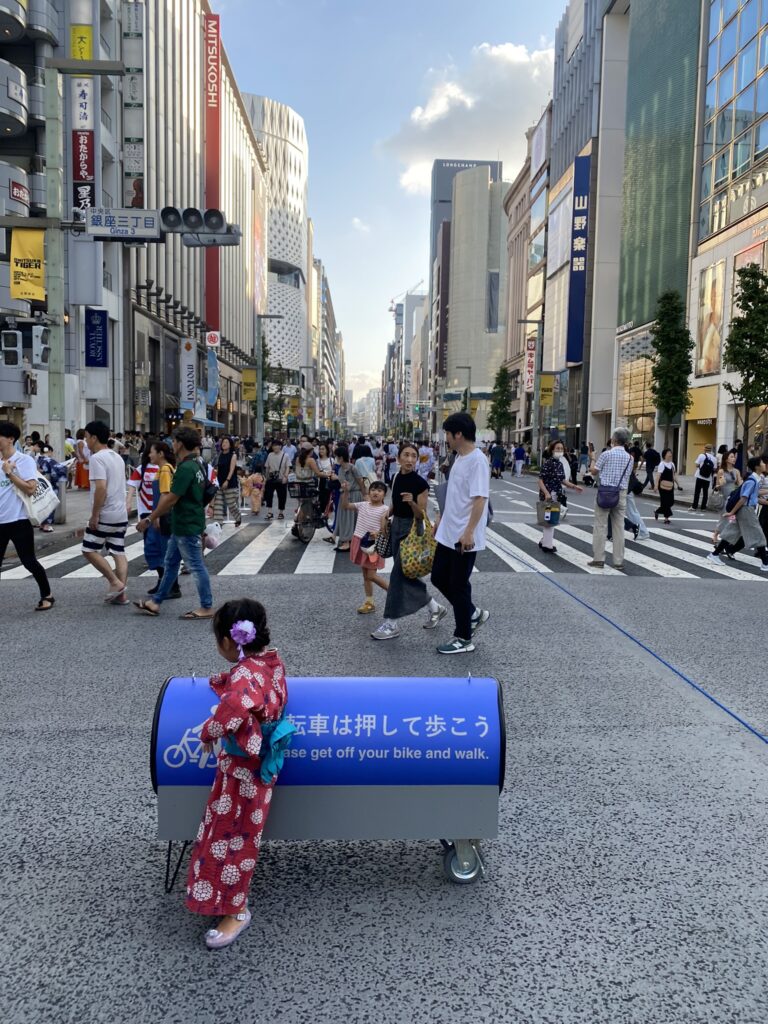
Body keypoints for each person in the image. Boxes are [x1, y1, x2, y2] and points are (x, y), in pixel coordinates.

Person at [185, 599, 290, 949]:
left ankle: (237, 908)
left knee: (230, 835)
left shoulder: (246, 674)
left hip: (243, 770)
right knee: (239, 833)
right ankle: (227, 899)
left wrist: (208, 732)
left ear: (231, 642)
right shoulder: (269, 664)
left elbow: (234, 709)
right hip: (259, 765)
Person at [133, 426, 214, 619]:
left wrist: (150, 518)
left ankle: (207, 606)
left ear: (181, 444)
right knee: (170, 564)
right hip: (185, 522)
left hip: (186, 523)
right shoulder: (198, 463)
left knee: (195, 565)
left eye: (175, 441)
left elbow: (170, 498)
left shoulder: (186, 468)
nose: (173, 444)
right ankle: (156, 602)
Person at [371, 441, 445, 640]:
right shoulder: (395, 477)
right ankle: (435, 607)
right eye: (406, 455)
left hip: (411, 530)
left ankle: (391, 622)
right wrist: (386, 515)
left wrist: (411, 502)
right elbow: (394, 501)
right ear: (399, 458)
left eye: (414, 456)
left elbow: (421, 515)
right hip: (396, 526)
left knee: (397, 576)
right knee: (406, 575)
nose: (410, 459)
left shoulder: (420, 484)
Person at [428, 413, 490, 654]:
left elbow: (479, 499)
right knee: (438, 577)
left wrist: (469, 532)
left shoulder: (477, 460)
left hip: (464, 535)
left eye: (447, 434)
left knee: (458, 583)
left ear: (459, 434)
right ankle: (472, 613)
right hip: (448, 530)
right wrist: (441, 518)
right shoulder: (458, 457)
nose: (446, 438)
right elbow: (454, 495)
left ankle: (464, 638)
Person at [0, 421, 54, 611]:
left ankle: (47, 595)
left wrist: (10, 474)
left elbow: (31, 488)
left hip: (18, 520)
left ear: (10, 439)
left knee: (29, 561)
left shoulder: (24, 460)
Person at [81, 420, 130, 603]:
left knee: (88, 549)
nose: (86, 442)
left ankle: (114, 582)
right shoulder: (116, 456)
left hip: (106, 513)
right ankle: (120, 594)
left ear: (94, 437)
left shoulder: (97, 458)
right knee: (118, 551)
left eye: (86, 437)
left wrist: (95, 514)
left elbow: (101, 488)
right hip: (120, 513)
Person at [708, 455, 768, 570]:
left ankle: (714, 554)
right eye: (762, 463)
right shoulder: (752, 480)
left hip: (745, 509)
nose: (764, 465)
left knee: (732, 533)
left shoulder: (756, 479)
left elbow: (753, 497)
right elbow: (743, 498)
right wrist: (731, 512)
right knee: (758, 534)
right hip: (746, 510)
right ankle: (765, 564)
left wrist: (763, 502)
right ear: (756, 467)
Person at [341, 479, 390, 614]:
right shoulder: (363, 505)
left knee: (371, 575)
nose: (375, 492)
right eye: (373, 489)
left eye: (379, 490)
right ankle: (369, 602)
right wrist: (345, 492)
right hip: (360, 541)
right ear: (369, 492)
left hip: (373, 546)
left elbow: (388, 528)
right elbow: (345, 506)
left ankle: (394, 592)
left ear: (384, 495)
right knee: (365, 575)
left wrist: (379, 533)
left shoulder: (385, 509)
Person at [588, 428, 634, 570]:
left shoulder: (606, 454)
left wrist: (593, 458)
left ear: (614, 440)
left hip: (605, 493)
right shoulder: (630, 458)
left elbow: (593, 471)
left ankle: (598, 559)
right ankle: (618, 561)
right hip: (621, 494)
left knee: (600, 526)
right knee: (619, 527)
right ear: (625, 442)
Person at [144, 440, 181, 599]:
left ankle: (172, 586)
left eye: (151, 451)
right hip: (161, 513)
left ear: (160, 454)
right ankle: (164, 582)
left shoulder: (165, 470)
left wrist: (157, 516)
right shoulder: (164, 469)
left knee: (162, 551)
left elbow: (165, 495)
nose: (149, 455)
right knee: (157, 550)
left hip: (162, 515)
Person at [538, 440, 583, 553]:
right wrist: (547, 493)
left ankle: (544, 541)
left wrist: (574, 486)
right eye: (557, 448)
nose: (560, 451)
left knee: (551, 519)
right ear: (552, 449)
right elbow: (540, 481)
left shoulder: (560, 464)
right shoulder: (548, 463)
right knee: (549, 521)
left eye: (561, 449)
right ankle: (547, 546)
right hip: (548, 496)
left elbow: (563, 480)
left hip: (556, 495)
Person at [333, 443, 364, 552]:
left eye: (337, 457)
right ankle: (347, 541)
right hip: (345, 495)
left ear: (341, 457)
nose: (336, 459)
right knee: (345, 518)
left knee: (352, 519)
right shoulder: (341, 468)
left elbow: (360, 482)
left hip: (354, 495)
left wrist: (365, 496)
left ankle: (348, 542)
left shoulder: (352, 468)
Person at [212, 436, 241, 528]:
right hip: (219, 482)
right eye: (223, 442)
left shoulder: (233, 455)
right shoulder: (220, 454)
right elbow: (218, 468)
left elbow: (232, 470)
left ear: (230, 444)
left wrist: (227, 480)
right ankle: (218, 523)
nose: (224, 444)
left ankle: (238, 517)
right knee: (218, 504)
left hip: (230, 482)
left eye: (226, 442)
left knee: (231, 504)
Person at [262, 440, 289, 521]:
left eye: (277, 445)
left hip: (281, 479)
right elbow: (267, 467)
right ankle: (269, 512)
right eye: (274, 446)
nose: (275, 447)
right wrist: (265, 478)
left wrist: (285, 477)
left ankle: (281, 512)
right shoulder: (270, 455)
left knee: (282, 496)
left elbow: (288, 467)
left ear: (280, 446)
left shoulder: (285, 455)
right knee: (269, 495)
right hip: (270, 479)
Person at [653, 448, 681, 525]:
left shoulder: (672, 464)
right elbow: (658, 476)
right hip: (662, 486)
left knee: (671, 502)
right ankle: (666, 519)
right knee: (665, 502)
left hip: (670, 486)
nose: (670, 454)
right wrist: (655, 486)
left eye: (670, 453)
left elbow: (674, 475)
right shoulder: (661, 464)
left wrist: (678, 484)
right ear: (664, 455)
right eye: (668, 453)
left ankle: (657, 511)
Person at [691, 444, 717, 512]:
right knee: (705, 493)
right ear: (711, 450)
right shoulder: (714, 458)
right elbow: (714, 469)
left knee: (697, 492)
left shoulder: (701, 455)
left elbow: (696, 464)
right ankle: (703, 508)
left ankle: (694, 507)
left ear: (705, 449)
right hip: (708, 478)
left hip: (699, 476)